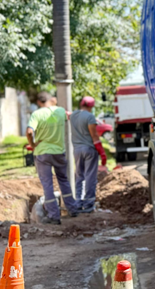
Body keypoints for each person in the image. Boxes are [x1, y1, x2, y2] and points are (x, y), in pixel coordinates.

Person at [26, 91, 80, 225]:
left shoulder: (37, 114)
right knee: (64, 180)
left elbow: (29, 131)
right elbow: (71, 116)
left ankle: (54, 216)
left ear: (39, 102)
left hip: (42, 152)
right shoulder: (60, 111)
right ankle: (72, 209)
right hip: (59, 152)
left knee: (47, 184)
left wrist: (32, 144)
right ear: (51, 99)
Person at [70, 96, 106, 212]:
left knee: (79, 176)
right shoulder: (90, 117)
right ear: (92, 106)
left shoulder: (73, 115)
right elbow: (94, 136)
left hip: (77, 150)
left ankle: (78, 203)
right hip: (89, 150)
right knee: (90, 177)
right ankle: (89, 205)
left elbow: (67, 114)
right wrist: (102, 152)